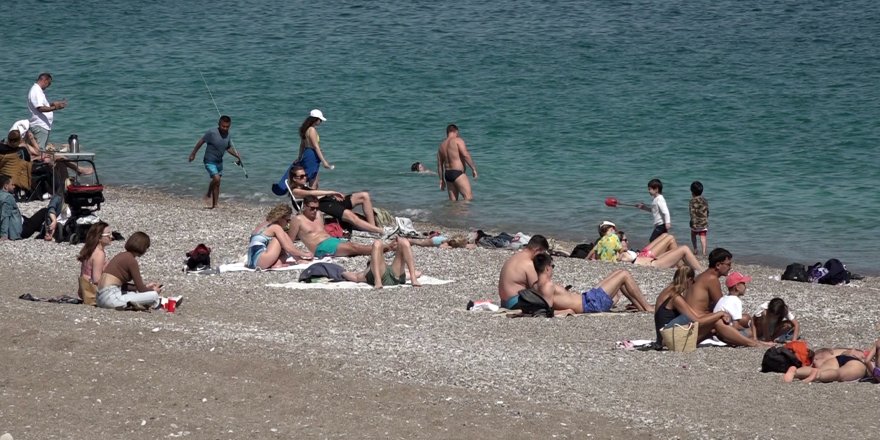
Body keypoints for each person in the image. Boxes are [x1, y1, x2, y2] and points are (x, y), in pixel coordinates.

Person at [688, 248, 769, 347]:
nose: (730, 267)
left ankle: (751, 334)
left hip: (696, 319)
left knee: (744, 318)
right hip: (699, 322)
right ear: (718, 265)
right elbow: (721, 305)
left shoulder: (703, 276)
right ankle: (752, 342)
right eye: (728, 264)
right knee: (744, 320)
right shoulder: (711, 279)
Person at [287, 165, 395, 236]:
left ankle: (373, 229)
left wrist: (317, 168)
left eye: (305, 175)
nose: (304, 178)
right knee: (349, 215)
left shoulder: (304, 186)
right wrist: (332, 192)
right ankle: (381, 231)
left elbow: (314, 191)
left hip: (329, 201)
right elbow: (312, 193)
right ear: (294, 179)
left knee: (364, 195)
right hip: (323, 206)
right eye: (301, 176)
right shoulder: (296, 191)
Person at [533, 254, 654, 314]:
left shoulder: (536, 285)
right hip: (592, 305)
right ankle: (647, 308)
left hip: (588, 298)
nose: (553, 269)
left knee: (619, 272)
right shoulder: (547, 286)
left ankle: (641, 306)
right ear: (547, 268)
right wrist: (567, 311)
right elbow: (545, 311)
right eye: (552, 266)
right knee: (624, 275)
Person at [288, 195, 387, 258]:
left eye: (317, 208)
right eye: (312, 208)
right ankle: (385, 248)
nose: (315, 211)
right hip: (320, 248)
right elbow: (289, 242)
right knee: (353, 247)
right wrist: (300, 257)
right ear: (304, 206)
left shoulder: (318, 215)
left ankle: (382, 248)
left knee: (352, 246)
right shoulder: (298, 220)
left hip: (332, 241)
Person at [653, 267, 731, 346]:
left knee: (711, 329)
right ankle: (742, 342)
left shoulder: (667, 291)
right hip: (667, 339)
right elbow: (697, 320)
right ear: (689, 280)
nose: (692, 284)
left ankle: (732, 339)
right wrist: (720, 313)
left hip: (661, 337)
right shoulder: (676, 298)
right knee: (714, 322)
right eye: (693, 281)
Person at [96, 232, 170, 310]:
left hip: (100, 298)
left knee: (133, 293)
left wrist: (146, 287)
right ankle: (159, 304)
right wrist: (153, 290)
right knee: (154, 295)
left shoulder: (121, 256)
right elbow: (141, 289)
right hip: (110, 298)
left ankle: (150, 303)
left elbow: (123, 285)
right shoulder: (131, 260)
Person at [188, 115, 242, 209]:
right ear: (219, 124)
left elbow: (228, 147)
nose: (225, 128)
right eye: (223, 126)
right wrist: (193, 154)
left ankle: (215, 205)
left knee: (217, 184)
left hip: (219, 162)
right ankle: (208, 193)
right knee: (216, 178)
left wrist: (236, 155)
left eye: (227, 127)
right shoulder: (212, 133)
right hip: (209, 160)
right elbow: (201, 141)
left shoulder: (228, 134)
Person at [246, 204, 313, 269]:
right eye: (287, 220)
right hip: (261, 261)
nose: (288, 223)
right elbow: (289, 248)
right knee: (281, 239)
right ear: (280, 218)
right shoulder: (276, 227)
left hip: (250, 262)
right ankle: (298, 260)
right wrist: (305, 254)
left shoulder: (262, 225)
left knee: (283, 248)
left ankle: (280, 263)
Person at [342, 236, 421, 289]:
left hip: (386, 275)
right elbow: (418, 273)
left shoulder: (364, 275)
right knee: (404, 242)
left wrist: (343, 273)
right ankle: (413, 279)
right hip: (394, 277)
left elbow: (351, 276)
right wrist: (412, 275)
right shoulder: (365, 274)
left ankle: (378, 280)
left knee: (378, 243)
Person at [498, 235, 550, 309]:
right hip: (515, 302)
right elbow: (538, 289)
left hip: (504, 301)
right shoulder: (528, 263)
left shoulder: (514, 258)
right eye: (542, 253)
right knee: (548, 301)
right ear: (537, 250)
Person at [612, 230, 704, 272]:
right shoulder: (621, 255)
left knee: (669, 239)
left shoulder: (624, 253)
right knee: (684, 248)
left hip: (651, 260)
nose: (627, 242)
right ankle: (701, 272)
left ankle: (684, 269)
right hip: (651, 263)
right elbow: (618, 258)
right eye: (625, 240)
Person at [783, 346, 873, 383]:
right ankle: (819, 376)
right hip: (858, 364)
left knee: (820, 369)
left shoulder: (863, 349)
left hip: (840, 358)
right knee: (838, 374)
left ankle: (795, 372)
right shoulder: (872, 355)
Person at [0, 174, 50, 240]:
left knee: (33, 221)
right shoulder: (8, 197)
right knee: (44, 211)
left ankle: (44, 230)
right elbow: (5, 216)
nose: (14, 186)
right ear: (6, 186)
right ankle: (45, 235)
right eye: (12, 184)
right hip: (22, 229)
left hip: (20, 220)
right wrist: (4, 235)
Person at [437, 124, 477, 201]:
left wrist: (441, 179)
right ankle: (463, 212)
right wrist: (473, 169)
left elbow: (439, 164)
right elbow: (465, 155)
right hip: (457, 173)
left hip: (448, 175)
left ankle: (454, 213)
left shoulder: (441, 146)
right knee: (468, 198)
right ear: (456, 131)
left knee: (453, 203)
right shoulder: (458, 140)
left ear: (447, 132)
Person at [27, 73, 67, 150]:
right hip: (40, 126)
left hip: (42, 126)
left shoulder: (37, 90)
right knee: (39, 151)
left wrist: (53, 104)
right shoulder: (36, 91)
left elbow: (40, 105)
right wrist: (55, 107)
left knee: (41, 150)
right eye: (49, 83)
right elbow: (40, 108)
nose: (49, 86)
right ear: (44, 80)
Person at [293, 109, 332, 188]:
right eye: (320, 120)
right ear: (316, 119)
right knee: (312, 179)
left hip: (307, 153)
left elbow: (302, 145)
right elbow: (316, 147)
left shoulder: (305, 129)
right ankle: (311, 197)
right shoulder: (312, 130)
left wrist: (299, 157)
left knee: (312, 177)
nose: (320, 122)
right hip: (312, 155)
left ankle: (310, 196)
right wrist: (324, 162)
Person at [77, 221, 112, 305]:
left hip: (83, 291)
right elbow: (96, 279)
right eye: (108, 235)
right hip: (92, 293)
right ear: (99, 238)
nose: (111, 237)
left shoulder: (90, 250)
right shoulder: (99, 254)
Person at [689, 181, 709, 256]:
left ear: (692, 192)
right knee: (703, 237)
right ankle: (704, 252)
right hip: (704, 223)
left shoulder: (691, 201)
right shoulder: (705, 200)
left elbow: (691, 212)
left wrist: (692, 222)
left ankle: (695, 249)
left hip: (695, 223)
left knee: (693, 235)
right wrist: (706, 219)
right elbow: (707, 211)